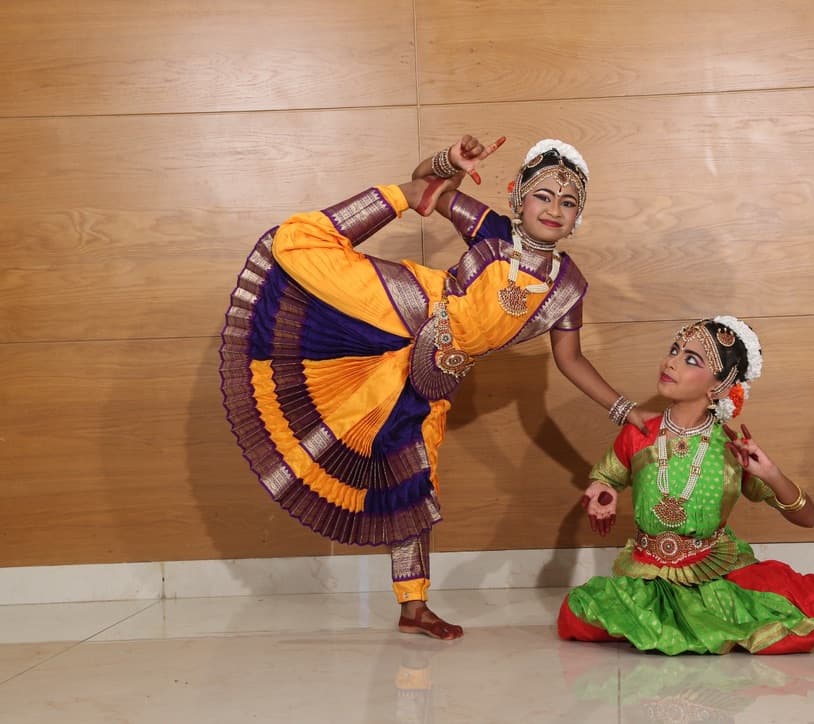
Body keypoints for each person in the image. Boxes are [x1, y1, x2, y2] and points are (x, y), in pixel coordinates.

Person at [220, 135, 651, 641]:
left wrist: (625, 409)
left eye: (568, 202)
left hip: (433, 375)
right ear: (518, 198)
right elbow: (430, 187)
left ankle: (414, 606)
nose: (554, 209)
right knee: (302, 249)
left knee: (413, 480)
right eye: (543, 195)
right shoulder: (493, 231)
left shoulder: (567, 286)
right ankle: (381, 212)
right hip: (405, 306)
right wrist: (447, 164)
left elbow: (570, 358)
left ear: (578, 217)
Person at [558, 316, 814, 655]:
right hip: (648, 577)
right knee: (577, 614)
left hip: (712, 574)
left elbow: (809, 518)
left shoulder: (730, 448)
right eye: (674, 350)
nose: (671, 362)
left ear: (719, 386)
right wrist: (602, 491)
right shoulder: (639, 431)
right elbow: (607, 477)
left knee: (798, 608)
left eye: (691, 359)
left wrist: (771, 473)